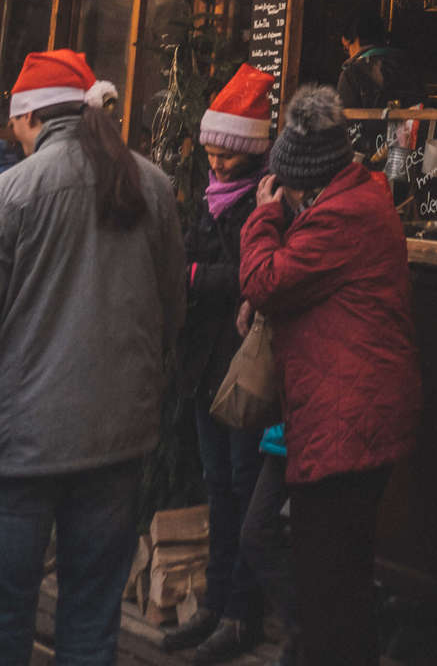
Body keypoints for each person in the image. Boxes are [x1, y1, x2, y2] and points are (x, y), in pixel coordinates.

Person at [0, 49, 184, 666]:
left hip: (21, 444)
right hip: (118, 440)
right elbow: (171, 309)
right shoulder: (152, 186)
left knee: (6, 614)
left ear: (31, 120)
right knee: (90, 618)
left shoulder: (14, 192)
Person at [239, 85, 420, 666]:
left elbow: (266, 279)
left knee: (330, 586)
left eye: (290, 186)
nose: (286, 194)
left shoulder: (341, 216)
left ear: (307, 182)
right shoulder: (356, 200)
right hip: (348, 415)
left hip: (346, 421)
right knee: (338, 582)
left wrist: (265, 217)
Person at [164, 65, 275, 663]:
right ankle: (213, 603)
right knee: (217, 485)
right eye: (210, 153)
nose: (215, 164)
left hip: (241, 370)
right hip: (205, 366)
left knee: (240, 484)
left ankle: (240, 614)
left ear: (247, 152)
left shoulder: (261, 204)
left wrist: (193, 278)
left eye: (225, 155)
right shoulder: (210, 200)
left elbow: (250, 276)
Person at [238, 423, 296, 666]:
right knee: (255, 534)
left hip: (328, 435)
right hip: (285, 435)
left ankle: (303, 642)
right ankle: (301, 633)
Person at [336, 13, 421, 111]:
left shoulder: (351, 74)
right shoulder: (408, 66)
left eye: (346, 49)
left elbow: (347, 123)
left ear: (348, 40)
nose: (350, 56)